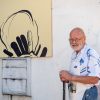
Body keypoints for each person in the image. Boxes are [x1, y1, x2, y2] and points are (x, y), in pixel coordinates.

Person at [59, 27, 100, 100]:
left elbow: (95, 79)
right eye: (71, 39)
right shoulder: (74, 54)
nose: (73, 42)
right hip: (75, 96)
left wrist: (70, 77)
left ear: (84, 39)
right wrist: (66, 78)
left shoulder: (90, 54)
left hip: (87, 95)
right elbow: (77, 75)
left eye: (76, 39)